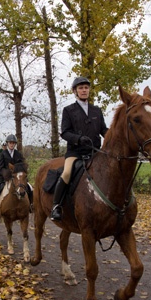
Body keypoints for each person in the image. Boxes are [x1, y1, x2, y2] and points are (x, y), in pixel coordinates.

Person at [50, 76, 108, 221]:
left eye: (86, 88)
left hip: (95, 152)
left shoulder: (96, 110)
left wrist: (114, 136)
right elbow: (65, 132)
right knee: (67, 173)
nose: (84, 90)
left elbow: (103, 130)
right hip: (75, 152)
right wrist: (78, 139)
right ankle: (56, 206)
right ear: (75, 91)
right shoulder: (68, 110)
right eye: (81, 88)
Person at [0, 134, 33, 216]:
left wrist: (21, 171)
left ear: (15, 144)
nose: (11, 144)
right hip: (4, 176)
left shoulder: (18, 154)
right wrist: (5, 173)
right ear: (7, 144)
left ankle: (31, 204)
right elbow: (0, 167)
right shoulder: (3, 153)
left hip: (17, 176)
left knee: (30, 187)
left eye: (13, 143)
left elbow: (22, 164)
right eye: (10, 143)